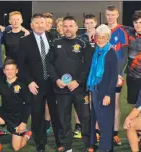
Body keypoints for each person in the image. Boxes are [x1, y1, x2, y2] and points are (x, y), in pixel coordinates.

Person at [46, 15, 94, 152]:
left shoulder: (83, 44)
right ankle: (65, 144)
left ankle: (89, 144)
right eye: (65, 26)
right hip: (61, 88)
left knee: (85, 117)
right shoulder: (55, 43)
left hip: (79, 88)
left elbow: (88, 65)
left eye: (70, 26)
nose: (67, 29)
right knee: (63, 117)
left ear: (76, 27)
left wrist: (78, 81)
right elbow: (49, 63)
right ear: (61, 27)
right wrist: (56, 80)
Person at [16, 13, 60, 152]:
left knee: (56, 113)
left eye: (43, 23)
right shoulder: (24, 41)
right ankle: (40, 142)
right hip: (36, 84)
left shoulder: (52, 38)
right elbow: (21, 65)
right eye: (37, 23)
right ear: (32, 25)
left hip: (53, 83)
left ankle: (60, 141)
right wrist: (29, 81)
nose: (40, 25)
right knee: (37, 114)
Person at [0, 59, 32, 152]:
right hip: (4, 113)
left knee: (16, 148)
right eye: (7, 69)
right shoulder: (0, 83)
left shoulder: (23, 83)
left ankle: (27, 134)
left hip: (17, 116)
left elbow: (28, 104)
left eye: (12, 69)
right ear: (4, 71)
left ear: (16, 70)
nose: (10, 72)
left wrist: (23, 122)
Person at [87, 24, 119, 152]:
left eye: (103, 37)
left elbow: (113, 76)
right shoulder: (96, 51)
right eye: (98, 37)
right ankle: (106, 147)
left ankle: (104, 148)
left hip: (105, 92)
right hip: (95, 90)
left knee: (105, 122)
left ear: (108, 38)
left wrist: (108, 94)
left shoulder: (111, 52)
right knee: (99, 120)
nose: (100, 39)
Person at [105, 5, 129, 146]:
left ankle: (114, 134)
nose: (110, 17)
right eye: (108, 14)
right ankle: (100, 132)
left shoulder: (121, 32)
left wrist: (117, 73)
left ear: (117, 15)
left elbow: (124, 56)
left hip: (116, 75)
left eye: (113, 14)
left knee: (114, 104)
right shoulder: (101, 30)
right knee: (101, 104)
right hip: (102, 75)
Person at [72, 14, 98, 140]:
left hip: (96, 74)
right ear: (83, 25)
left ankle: (94, 126)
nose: (89, 25)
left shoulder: (100, 37)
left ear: (96, 23)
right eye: (86, 23)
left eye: (91, 23)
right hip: (82, 74)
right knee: (80, 100)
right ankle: (78, 126)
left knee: (94, 100)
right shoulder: (80, 39)